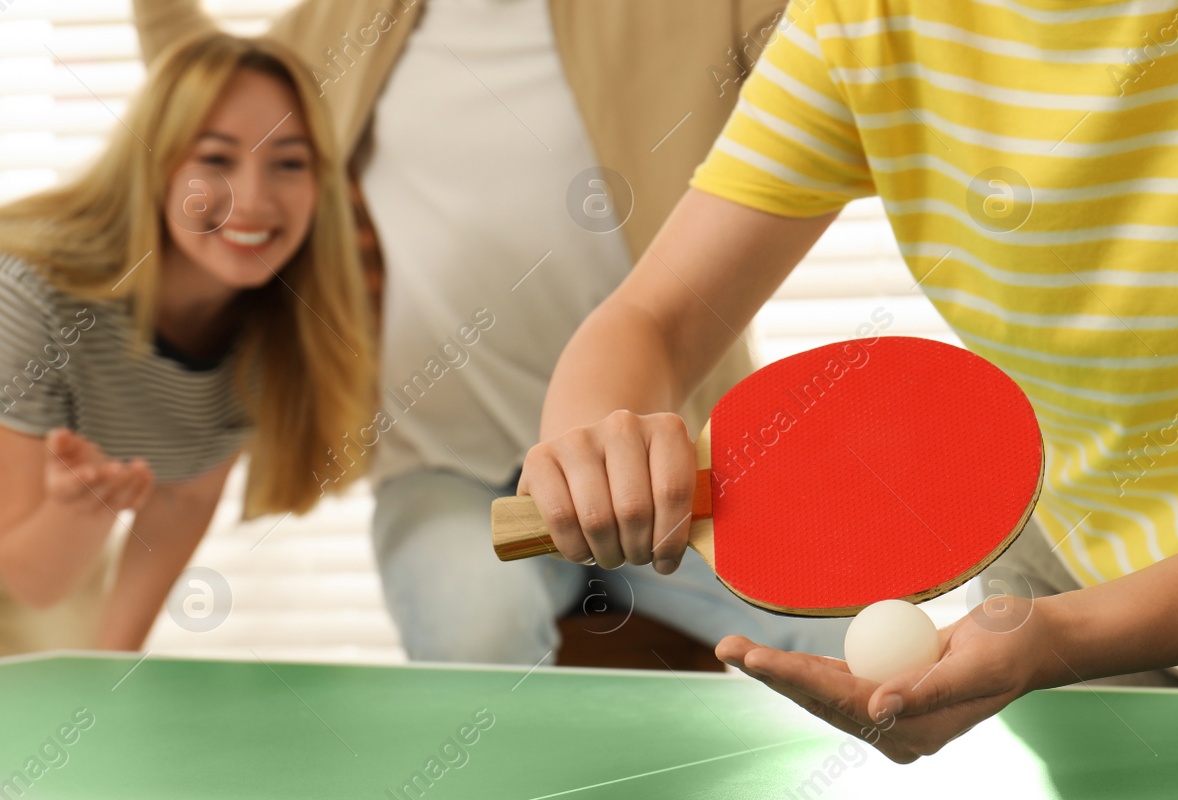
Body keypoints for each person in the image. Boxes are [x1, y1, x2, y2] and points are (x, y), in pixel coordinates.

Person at [515, 0, 1178, 761]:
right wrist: (595, 439)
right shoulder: (866, 18)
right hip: (1071, 584)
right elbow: (654, 319)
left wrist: (1060, 638)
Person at [134, 0, 850, 664]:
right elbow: (208, 85)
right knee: (475, 638)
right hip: (447, 471)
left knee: (862, 625)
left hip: (668, 452)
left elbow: (841, 46)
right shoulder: (348, 20)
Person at [0, 33, 374, 655]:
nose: (253, 201)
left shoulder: (273, 331)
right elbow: (28, 579)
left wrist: (110, 677)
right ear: (154, 165)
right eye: (217, 159)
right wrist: (81, 511)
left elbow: (181, 499)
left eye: (288, 162)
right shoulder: (29, 298)